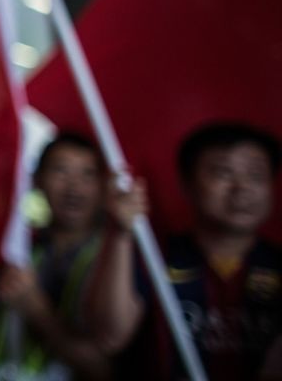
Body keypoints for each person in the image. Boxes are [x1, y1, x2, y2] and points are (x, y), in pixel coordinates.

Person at [85, 122, 282, 380]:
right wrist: (120, 233)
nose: (242, 188)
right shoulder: (154, 257)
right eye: (223, 173)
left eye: (256, 175)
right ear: (186, 184)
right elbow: (110, 337)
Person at [0, 133, 112, 381]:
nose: (74, 187)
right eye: (61, 171)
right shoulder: (22, 253)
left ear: (103, 186)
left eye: (87, 174)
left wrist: (37, 310)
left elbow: (104, 367)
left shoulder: (114, 258)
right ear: (37, 180)